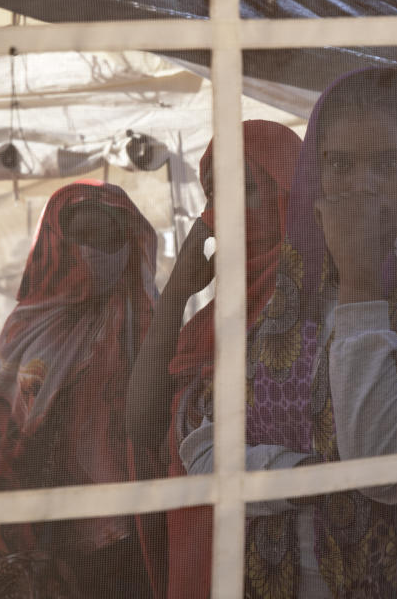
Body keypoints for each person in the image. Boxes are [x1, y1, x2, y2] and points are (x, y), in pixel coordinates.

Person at [175, 68, 397, 597]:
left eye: (386, 164)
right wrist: (310, 478)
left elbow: (382, 472)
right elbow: (205, 457)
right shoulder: (293, 294)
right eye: (339, 164)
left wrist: (360, 282)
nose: (360, 186)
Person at [125, 120, 302, 599]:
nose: (226, 212)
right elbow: (142, 423)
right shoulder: (212, 324)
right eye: (215, 194)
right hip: (203, 557)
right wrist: (177, 290)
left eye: (247, 188)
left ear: (291, 192)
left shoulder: (321, 304)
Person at [0, 180, 157, 597]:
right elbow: (8, 425)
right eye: (83, 235)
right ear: (57, 239)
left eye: (108, 236)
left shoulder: (145, 319)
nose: (94, 249)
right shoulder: (23, 330)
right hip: (43, 526)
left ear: (128, 241)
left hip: (130, 531)